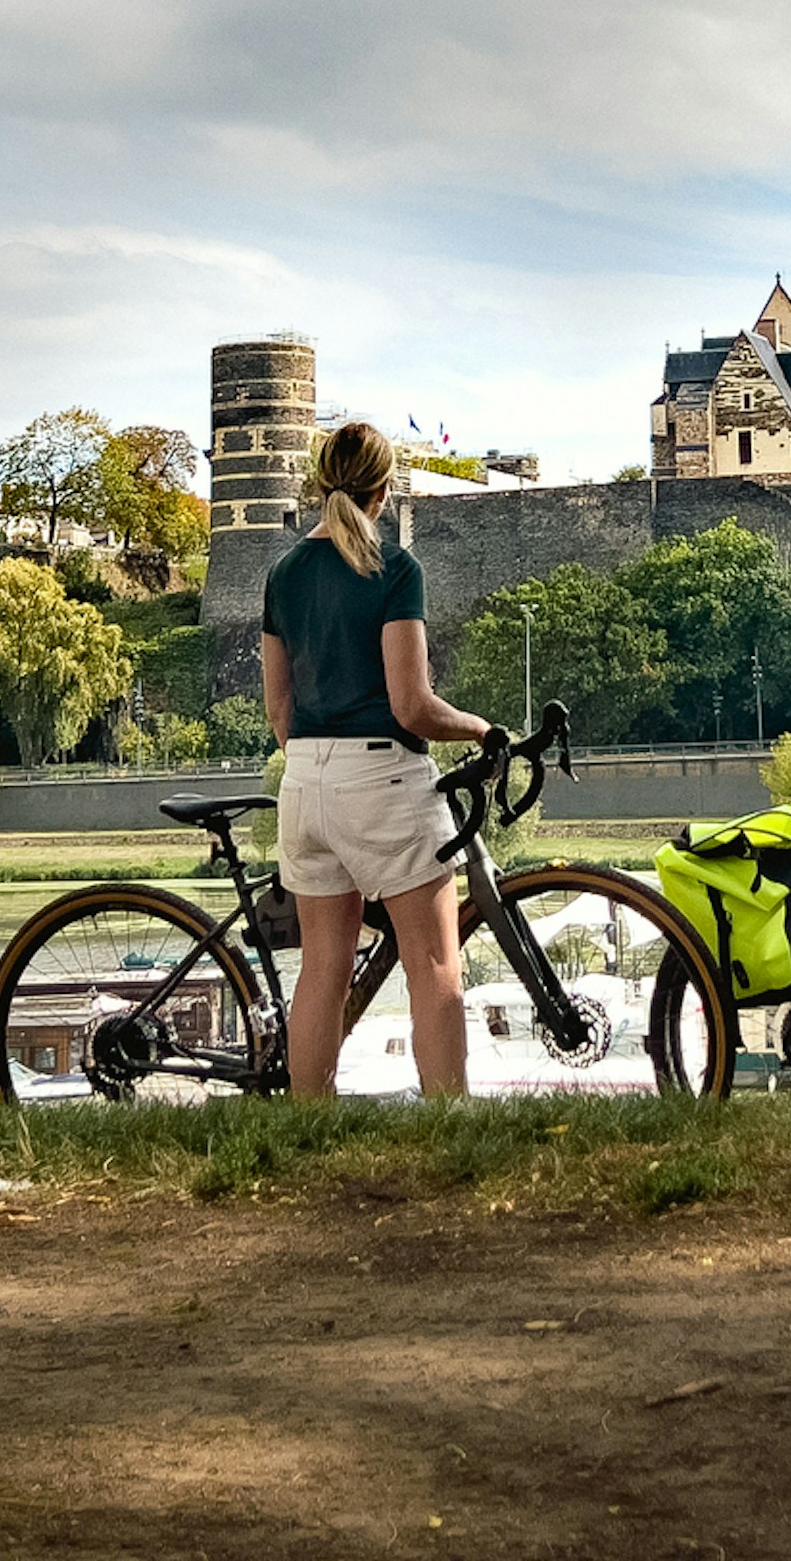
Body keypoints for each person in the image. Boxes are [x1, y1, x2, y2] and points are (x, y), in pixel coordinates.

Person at [260, 419, 494, 1097]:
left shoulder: (283, 574)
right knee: (434, 966)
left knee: (323, 970)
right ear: (384, 492)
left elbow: (279, 708)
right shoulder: (394, 570)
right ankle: (450, 1122)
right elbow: (411, 705)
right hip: (383, 776)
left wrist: (319, 764)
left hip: (304, 780)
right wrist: (480, 729)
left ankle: (310, 1124)